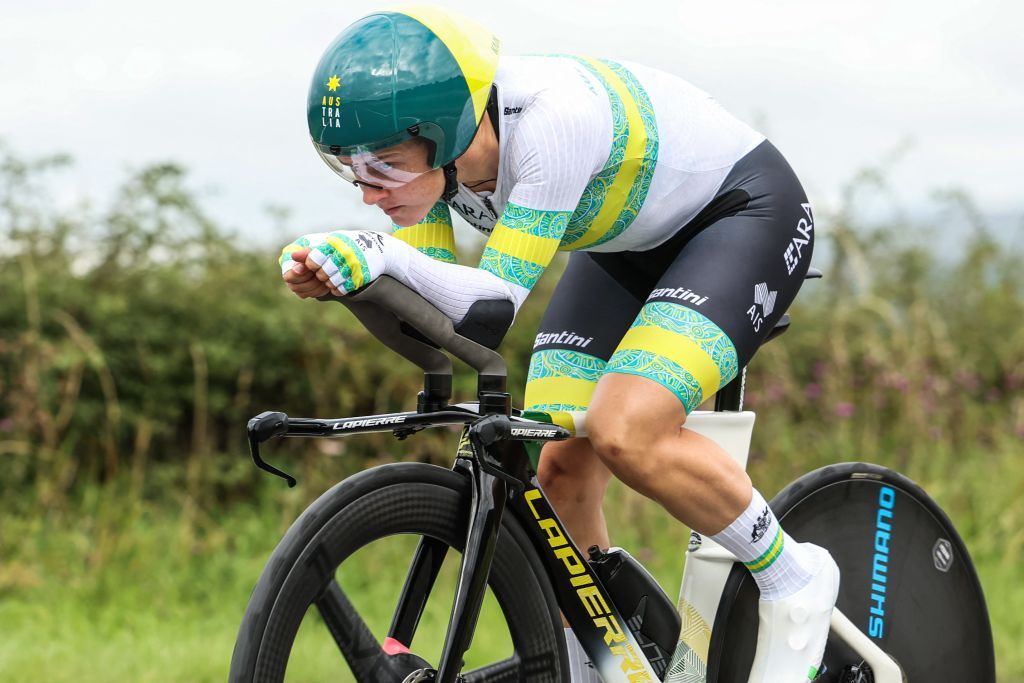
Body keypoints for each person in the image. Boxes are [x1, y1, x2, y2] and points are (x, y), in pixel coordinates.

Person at [280, 6, 838, 682]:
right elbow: (437, 314)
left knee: (623, 428)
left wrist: (376, 256)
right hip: (623, 249)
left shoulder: (552, 123)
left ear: (448, 131)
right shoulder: (431, 175)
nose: (370, 194)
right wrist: (348, 279)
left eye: (385, 168)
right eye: (353, 173)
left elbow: (487, 308)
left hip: (741, 216)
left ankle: (793, 575)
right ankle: (604, 668)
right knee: (555, 468)